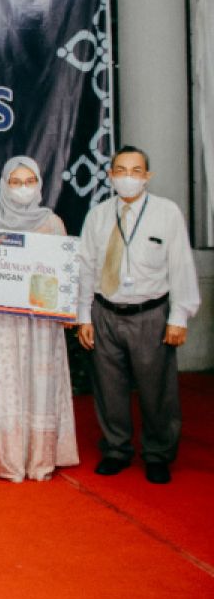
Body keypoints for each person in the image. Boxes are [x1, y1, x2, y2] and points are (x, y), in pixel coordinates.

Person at [76, 146, 200, 484]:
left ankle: (158, 453)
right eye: (120, 170)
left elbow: (180, 265)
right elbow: (85, 268)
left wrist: (179, 316)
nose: (127, 177)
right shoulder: (98, 215)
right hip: (105, 312)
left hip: (150, 314)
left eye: (135, 171)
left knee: (156, 389)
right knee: (109, 388)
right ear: (110, 175)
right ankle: (116, 449)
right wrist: (83, 317)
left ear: (147, 176)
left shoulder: (166, 212)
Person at [0, 156, 79, 482]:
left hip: (41, 323)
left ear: (38, 185)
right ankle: (5, 455)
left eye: (29, 182)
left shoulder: (52, 223)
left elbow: (65, 272)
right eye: (15, 182)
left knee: (40, 383)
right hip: (2, 323)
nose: (23, 189)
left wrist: (69, 306)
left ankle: (39, 456)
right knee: (5, 382)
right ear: (4, 186)